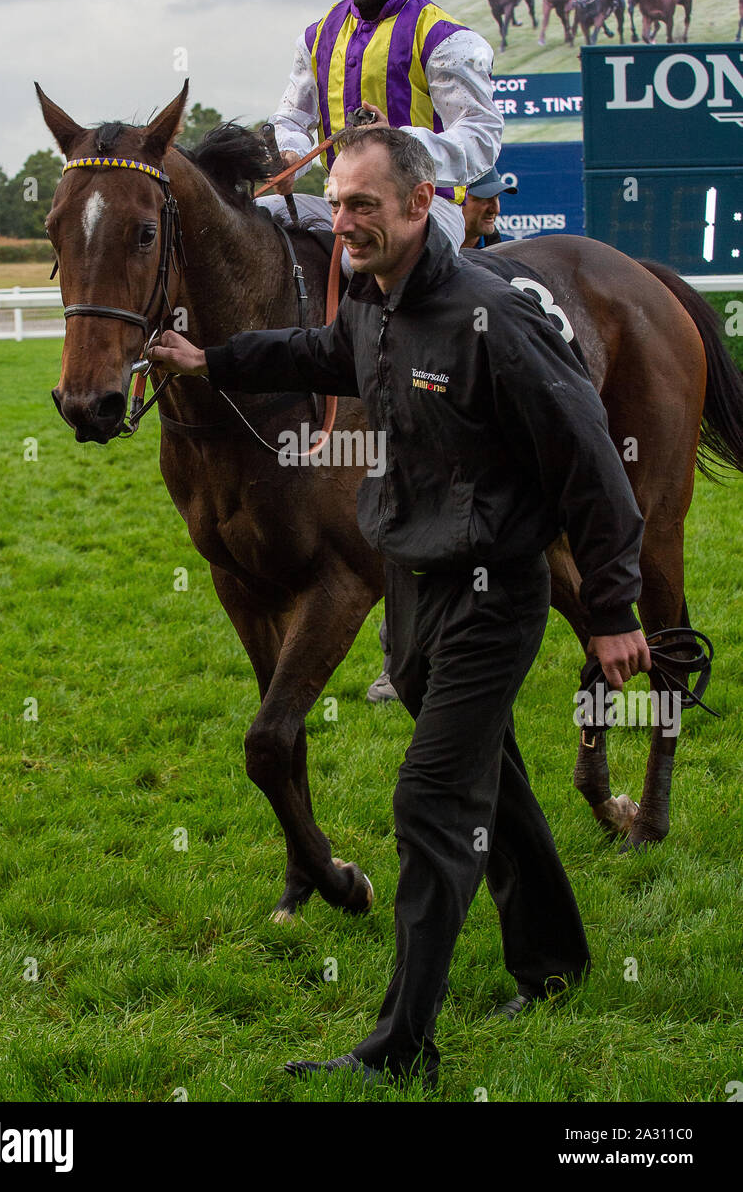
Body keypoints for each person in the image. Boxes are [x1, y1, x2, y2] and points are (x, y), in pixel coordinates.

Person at [147, 128, 650, 1090]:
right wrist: (209, 361)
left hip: (492, 597)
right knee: (486, 783)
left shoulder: (495, 320)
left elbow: (593, 468)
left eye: (364, 205)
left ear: (422, 205)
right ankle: (555, 963)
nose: (344, 223)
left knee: (428, 800)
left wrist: (615, 611)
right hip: (410, 592)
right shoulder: (375, 308)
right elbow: (318, 350)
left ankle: (402, 1043)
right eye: (336, 205)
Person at [260, 0, 503, 256]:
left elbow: (482, 135)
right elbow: (290, 119)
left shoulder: (446, 39)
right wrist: (288, 155)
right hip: (340, 206)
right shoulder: (316, 37)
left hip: (425, 206)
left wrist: (399, 148)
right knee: (246, 221)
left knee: (364, 253)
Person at [364, 162, 518, 704]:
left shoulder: (490, 295)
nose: (493, 208)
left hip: (489, 553)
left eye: (497, 199)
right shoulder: (389, 285)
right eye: (484, 199)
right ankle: (398, 655)